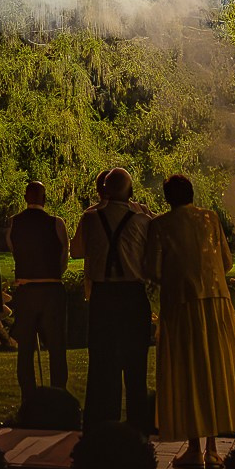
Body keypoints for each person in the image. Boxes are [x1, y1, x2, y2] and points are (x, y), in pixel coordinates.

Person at [146, 174, 235, 469]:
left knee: (188, 371)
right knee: (214, 369)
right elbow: (226, 262)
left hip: (182, 305)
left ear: (167, 198)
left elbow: (153, 269)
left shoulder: (160, 225)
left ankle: (194, 447)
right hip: (217, 302)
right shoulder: (210, 218)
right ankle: (214, 448)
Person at [74, 168, 153, 433]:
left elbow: (78, 250)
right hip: (132, 295)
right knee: (135, 365)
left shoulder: (89, 218)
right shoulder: (142, 221)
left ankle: (100, 424)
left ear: (104, 191)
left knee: (100, 363)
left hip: (102, 296)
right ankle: (138, 425)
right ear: (130, 192)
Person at [7, 180, 71, 402]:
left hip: (26, 290)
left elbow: (14, 252)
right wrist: (55, 273)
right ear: (44, 198)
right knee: (56, 347)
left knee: (25, 349)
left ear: (26, 198)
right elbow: (65, 255)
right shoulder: (56, 223)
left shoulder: (14, 224)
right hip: (51, 289)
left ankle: (29, 398)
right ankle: (59, 395)